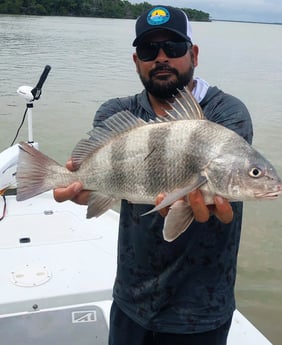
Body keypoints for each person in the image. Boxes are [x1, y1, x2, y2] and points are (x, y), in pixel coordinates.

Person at [54, 5, 253, 345]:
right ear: (136, 61)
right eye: (149, 50)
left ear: (193, 54)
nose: (161, 57)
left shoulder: (226, 113)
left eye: (173, 48)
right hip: (132, 300)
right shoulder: (117, 112)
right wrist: (86, 187)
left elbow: (230, 179)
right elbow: (99, 181)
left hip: (203, 308)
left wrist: (187, 198)